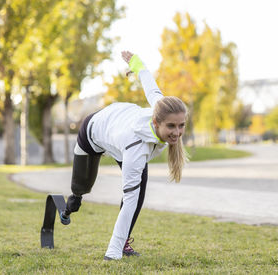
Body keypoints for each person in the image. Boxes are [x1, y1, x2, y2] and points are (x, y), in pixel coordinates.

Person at [62, 51, 189, 260]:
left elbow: (149, 82)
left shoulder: (160, 107)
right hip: (93, 132)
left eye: (181, 125)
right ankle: (72, 204)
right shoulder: (136, 148)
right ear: (156, 123)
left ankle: (123, 244)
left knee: (140, 189)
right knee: (82, 188)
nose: (177, 132)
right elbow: (129, 200)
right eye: (171, 126)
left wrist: (136, 63)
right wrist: (111, 255)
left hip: (119, 132)